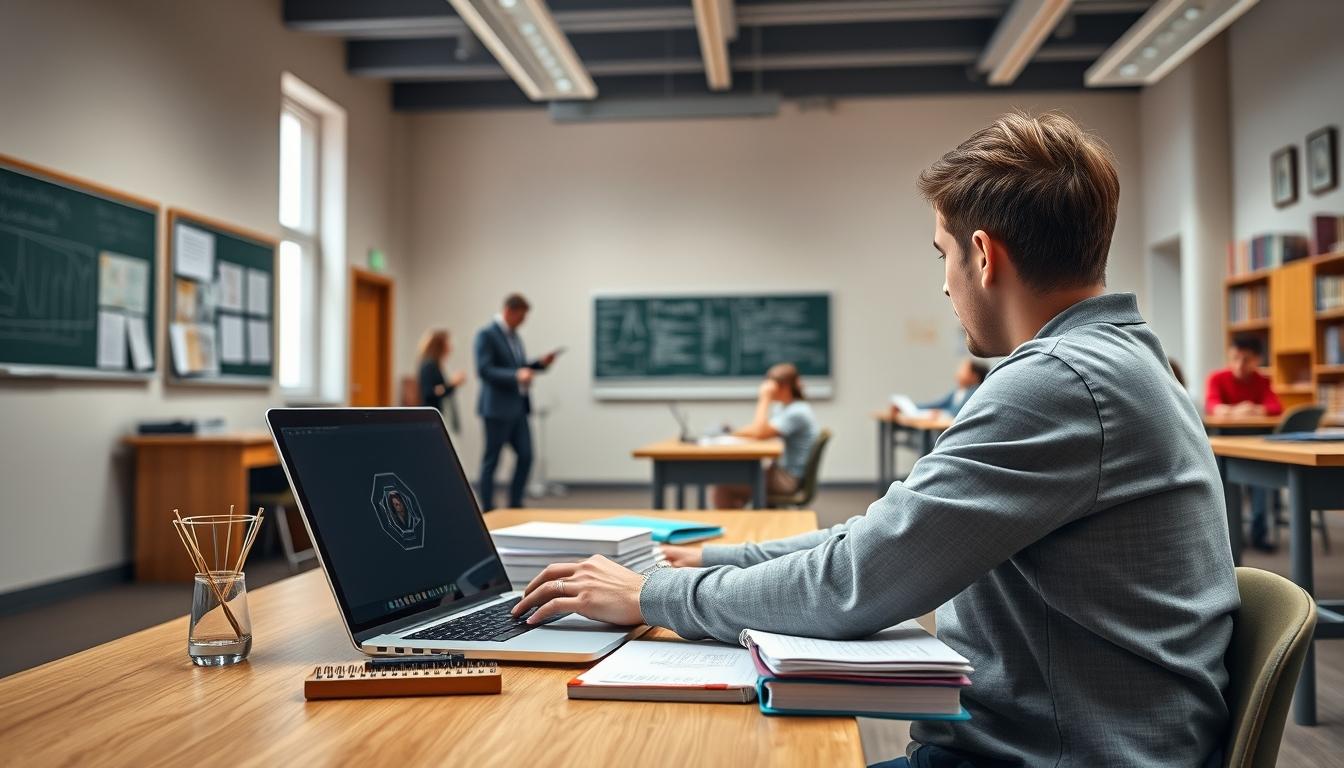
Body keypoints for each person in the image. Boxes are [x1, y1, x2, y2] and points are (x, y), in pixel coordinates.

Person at [512, 112, 1237, 768]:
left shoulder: (1058, 382)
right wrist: (706, 556)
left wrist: (655, 593)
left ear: (983, 255)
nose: (945, 287)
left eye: (941, 254)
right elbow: (887, 534)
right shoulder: (1117, 358)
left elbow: (857, 582)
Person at [474, 293, 557, 511]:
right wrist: (515, 376)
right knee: (492, 461)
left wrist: (539, 364)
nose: (523, 322)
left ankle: (515, 504)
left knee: (527, 456)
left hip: (519, 408)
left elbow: (519, 367)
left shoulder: (514, 337)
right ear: (509, 311)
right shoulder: (487, 334)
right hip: (496, 409)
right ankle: (488, 509)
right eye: (520, 317)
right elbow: (484, 370)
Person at [1205, 337, 1283, 550]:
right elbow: (1213, 407)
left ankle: (1259, 535)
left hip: (1256, 449)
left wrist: (1239, 409)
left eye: (1246, 359)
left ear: (1257, 360)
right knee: (1223, 488)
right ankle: (1229, 538)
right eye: (1235, 358)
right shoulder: (1217, 378)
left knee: (1262, 483)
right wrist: (1244, 408)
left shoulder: (1262, 381)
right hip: (1223, 449)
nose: (1239, 364)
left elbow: (1276, 407)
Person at [711, 363, 819, 508]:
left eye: (770, 385)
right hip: (781, 472)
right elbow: (761, 429)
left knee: (723, 486)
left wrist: (764, 398)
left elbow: (760, 433)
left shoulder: (797, 412)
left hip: (788, 480)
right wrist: (733, 434)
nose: (767, 388)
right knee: (736, 476)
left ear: (784, 386)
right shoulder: (784, 407)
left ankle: (733, 527)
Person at [417, 329, 467, 432]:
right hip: (431, 420)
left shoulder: (437, 365)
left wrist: (452, 385)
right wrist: (452, 384)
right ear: (440, 346)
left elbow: (442, 390)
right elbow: (429, 393)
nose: (451, 347)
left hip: (440, 417)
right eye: (448, 343)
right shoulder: (429, 365)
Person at [903, 358, 988, 418]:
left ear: (974, 376)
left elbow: (960, 413)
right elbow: (937, 404)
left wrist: (941, 413)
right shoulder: (957, 392)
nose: (958, 372)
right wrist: (910, 407)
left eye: (963, 369)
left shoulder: (975, 392)